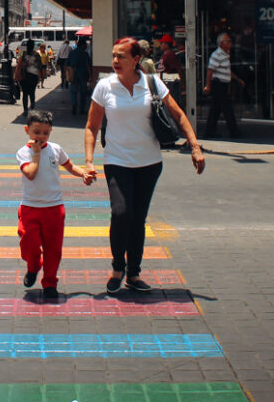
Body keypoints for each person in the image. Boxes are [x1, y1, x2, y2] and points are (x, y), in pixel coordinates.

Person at [84, 37, 204, 295]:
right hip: (116, 162)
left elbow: (178, 114)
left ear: (136, 59)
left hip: (149, 163)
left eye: (121, 56)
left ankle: (134, 273)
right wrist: (89, 161)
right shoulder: (105, 87)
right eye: (114, 56)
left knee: (137, 219)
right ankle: (118, 268)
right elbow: (92, 127)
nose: (115, 61)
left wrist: (195, 146)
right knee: (121, 213)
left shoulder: (152, 83)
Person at [17, 108, 96, 300]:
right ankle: (34, 266)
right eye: (36, 132)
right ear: (27, 130)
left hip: (54, 208)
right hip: (30, 207)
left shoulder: (55, 149)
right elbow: (30, 173)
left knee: (54, 248)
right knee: (29, 244)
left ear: (50, 131)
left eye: (45, 133)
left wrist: (83, 174)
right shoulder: (23, 153)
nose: (41, 137)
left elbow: (69, 165)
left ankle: (50, 282)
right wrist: (36, 154)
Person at [203, 32, 245, 138]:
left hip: (224, 84)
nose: (231, 43)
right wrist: (208, 86)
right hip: (218, 84)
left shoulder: (226, 54)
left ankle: (209, 131)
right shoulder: (216, 55)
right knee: (227, 108)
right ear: (222, 43)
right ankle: (234, 131)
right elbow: (210, 71)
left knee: (215, 109)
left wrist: (237, 79)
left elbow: (227, 70)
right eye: (229, 41)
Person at [16, 39, 41, 113]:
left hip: (24, 75)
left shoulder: (24, 54)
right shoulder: (36, 55)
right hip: (33, 76)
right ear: (33, 46)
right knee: (32, 92)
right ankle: (32, 105)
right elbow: (40, 66)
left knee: (25, 93)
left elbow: (19, 63)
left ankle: (25, 109)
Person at [68, 36, 92, 115]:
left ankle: (74, 104)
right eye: (85, 45)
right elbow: (88, 66)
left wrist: (67, 75)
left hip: (73, 74)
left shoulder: (72, 53)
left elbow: (67, 65)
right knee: (83, 92)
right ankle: (82, 108)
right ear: (82, 45)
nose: (86, 46)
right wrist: (90, 76)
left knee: (73, 91)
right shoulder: (85, 54)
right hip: (83, 75)